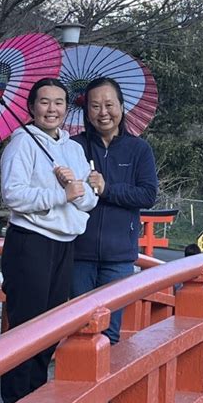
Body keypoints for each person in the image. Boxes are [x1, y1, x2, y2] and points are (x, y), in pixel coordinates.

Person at [0, 78, 98, 403]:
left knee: (50, 325)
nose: (52, 109)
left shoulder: (73, 148)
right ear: (31, 108)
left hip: (65, 243)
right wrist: (61, 193)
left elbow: (86, 203)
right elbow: (13, 194)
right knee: (26, 323)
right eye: (44, 102)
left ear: (66, 108)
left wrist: (89, 188)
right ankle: (14, 402)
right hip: (31, 241)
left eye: (59, 102)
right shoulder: (22, 143)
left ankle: (35, 393)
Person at [71, 77, 158, 344]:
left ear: (122, 106)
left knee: (108, 332)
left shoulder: (138, 149)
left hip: (119, 255)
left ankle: (105, 385)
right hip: (77, 252)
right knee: (76, 328)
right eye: (95, 106)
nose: (103, 112)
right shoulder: (74, 146)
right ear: (86, 112)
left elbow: (147, 194)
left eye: (109, 104)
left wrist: (108, 189)